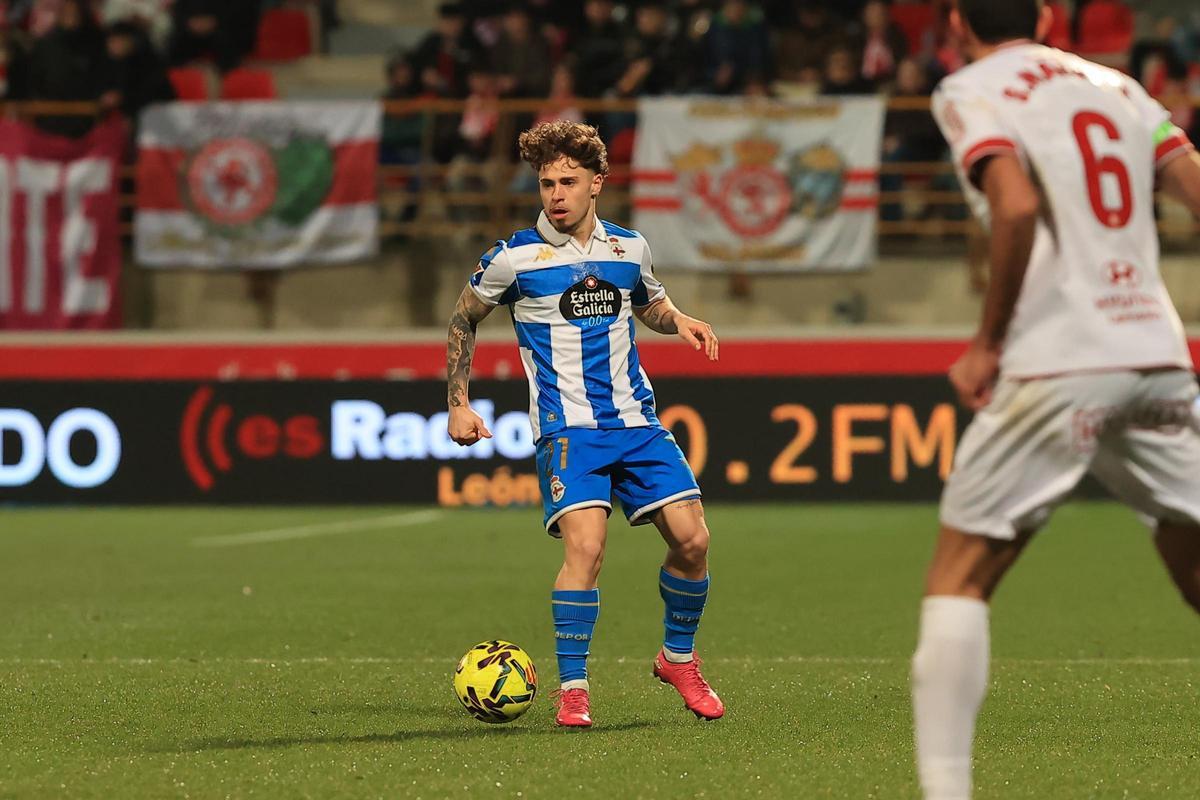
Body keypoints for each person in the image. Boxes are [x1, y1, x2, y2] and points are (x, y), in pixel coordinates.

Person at [914, 2, 1200, 798]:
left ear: (956, 22)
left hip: (1060, 357)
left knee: (960, 575)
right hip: (1156, 353)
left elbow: (1014, 204)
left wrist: (988, 342)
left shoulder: (970, 88)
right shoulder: (1120, 88)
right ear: (1044, 15)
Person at [445, 121, 725, 729]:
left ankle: (678, 659)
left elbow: (648, 303)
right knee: (587, 548)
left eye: (568, 182)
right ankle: (573, 690)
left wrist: (679, 319)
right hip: (568, 430)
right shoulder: (513, 257)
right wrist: (458, 402)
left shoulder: (629, 247)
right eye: (547, 183)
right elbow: (464, 318)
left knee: (694, 540)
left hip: (637, 422)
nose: (556, 194)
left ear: (597, 183)